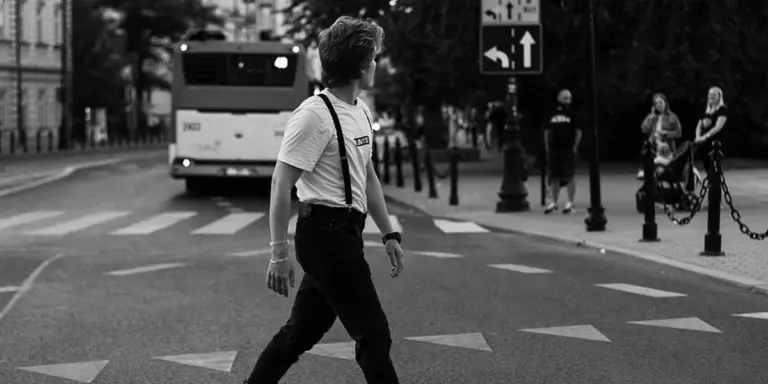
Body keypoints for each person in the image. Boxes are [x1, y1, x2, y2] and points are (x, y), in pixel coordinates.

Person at [245, 16, 404, 384]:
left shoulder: (360, 111)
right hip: (325, 236)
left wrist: (389, 233)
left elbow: (367, 175)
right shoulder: (314, 116)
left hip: (345, 233)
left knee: (299, 333)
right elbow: (281, 182)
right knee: (373, 335)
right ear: (360, 67)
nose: (376, 64)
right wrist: (278, 254)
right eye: (374, 58)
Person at [544, 89, 581, 214]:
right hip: (554, 148)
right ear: (559, 98)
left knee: (569, 175)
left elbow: (578, 131)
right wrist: (547, 145)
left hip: (568, 148)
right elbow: (547, 130)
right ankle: (553, 202)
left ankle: (570, 202)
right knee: (554, 177)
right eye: (565, 98)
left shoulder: (573, 114)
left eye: (569, 98)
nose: (567, 101)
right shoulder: (551, 113)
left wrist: (575, 146)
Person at [637, 92, 682, 178]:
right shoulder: (651, 117)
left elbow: (679, 133)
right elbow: (644, 129)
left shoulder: (672, 117)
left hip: (667, 148)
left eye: (660, 102)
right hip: (653, 148)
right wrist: (651, 117)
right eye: (656, 103)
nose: (658, 105)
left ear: (665, 103)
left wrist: (666, 133)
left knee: (660, 172)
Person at [694, 86, 728, 172]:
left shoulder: (722, 109)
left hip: (716, 143)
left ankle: (715, 179)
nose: (711, 96)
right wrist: (698, 137)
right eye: (710, 94)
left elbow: (718, 127)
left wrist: (705, 136)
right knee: (706, 164)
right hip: (704, 143)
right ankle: (710, 178)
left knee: (714, 166)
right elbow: (699, 126)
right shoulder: (706, 111)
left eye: (714, 94)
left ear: (719, 97)